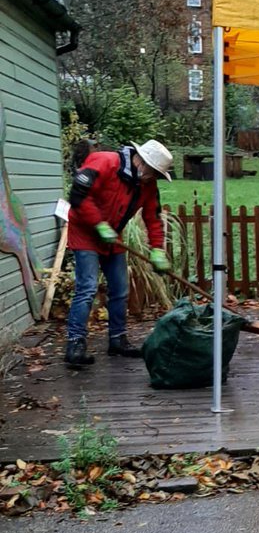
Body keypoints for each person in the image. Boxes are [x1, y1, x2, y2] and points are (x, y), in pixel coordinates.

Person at [64, 139, 173, 368]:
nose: (153, 177)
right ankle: (75, 343)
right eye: (153, 172)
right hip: (85, 233)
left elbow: (153, 218)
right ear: (141, 161)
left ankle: (117, 340)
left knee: (120, 289)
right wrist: (98, 224)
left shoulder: (147, 184)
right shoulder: (104, 162)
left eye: (157, 174)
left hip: (112, 236)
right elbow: (78, 196)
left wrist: (157, 250)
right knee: (87, 288)